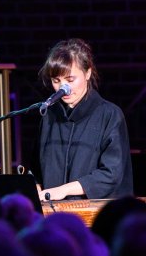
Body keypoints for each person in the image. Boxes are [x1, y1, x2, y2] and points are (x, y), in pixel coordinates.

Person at [35, 38, 134, 202]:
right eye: (56, 81)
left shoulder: (110, 114)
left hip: (97, 214)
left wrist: (64, 190)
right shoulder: (49, 116)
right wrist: (36, 185)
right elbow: (36, 166)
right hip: (53, 212)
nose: (63, 88)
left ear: (87, 73)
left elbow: (111, 174)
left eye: (70, 80)